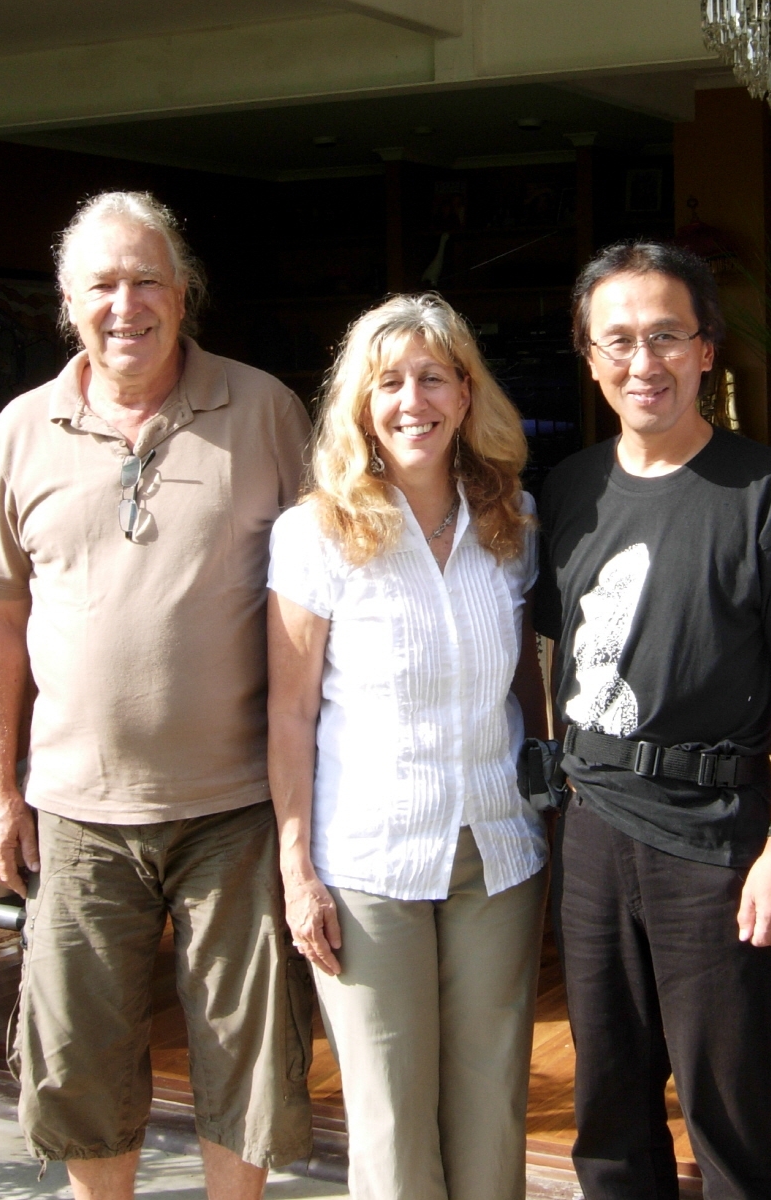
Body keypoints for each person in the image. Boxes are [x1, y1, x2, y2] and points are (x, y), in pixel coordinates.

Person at [0, 191, 313, 1200]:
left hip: (235, 804)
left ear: (183, 292)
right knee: (76, 1057)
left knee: (247, 1055)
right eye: (102, 285)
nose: (127, 305)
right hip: (75, 812)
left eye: (146, 279)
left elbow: (322, 595)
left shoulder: (263, 410)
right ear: (68, 304)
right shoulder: (24, 428)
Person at [533, 240, 771, 1200]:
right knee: (609, 1105)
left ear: (708, 350)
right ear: (589, 357)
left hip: (718, 840)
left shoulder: (769, 491)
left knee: (732, 1104)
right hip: (591, 829)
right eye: (617, 340)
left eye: (666, 335)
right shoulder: (569, 493)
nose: (642, 361)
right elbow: (548, 659)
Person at [266, 294, 549, 1200]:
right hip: (369, 864)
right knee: (390, 1120)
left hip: (497, 852)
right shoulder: (314, 532)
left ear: (467, 395)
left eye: (433, 377)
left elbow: (527, 686)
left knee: (490, 1107)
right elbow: (289, 712)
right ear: (360, 403)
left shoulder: (513, 522)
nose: (411, 400)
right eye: (388, 382)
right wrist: (296, 869)